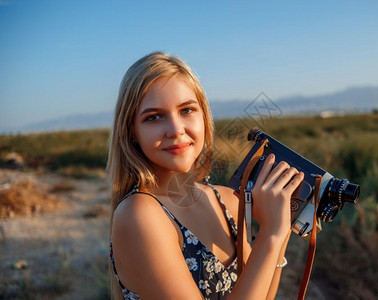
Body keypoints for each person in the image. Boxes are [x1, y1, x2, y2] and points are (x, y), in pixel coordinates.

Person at [107, 51, 304, 299]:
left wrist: (281, 227)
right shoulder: (139, 215)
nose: (176, 130)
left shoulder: (227, 201)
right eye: (154, 117)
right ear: (132, 131)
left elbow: (263, 296)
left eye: (187, 110)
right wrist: (271, 234)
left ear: (204, 116)